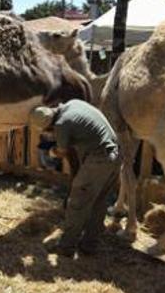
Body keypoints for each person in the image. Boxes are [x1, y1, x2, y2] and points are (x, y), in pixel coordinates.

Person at [29, 99, 120, 257]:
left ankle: (66, 247)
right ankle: (89, 245)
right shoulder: (73, 103)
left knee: (77, 202)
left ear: (49, 125)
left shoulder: (61, 124)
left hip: (98, 159)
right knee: (99, 202)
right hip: (115, 154)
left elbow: (62, 151)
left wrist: (51, 152)